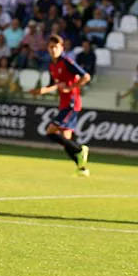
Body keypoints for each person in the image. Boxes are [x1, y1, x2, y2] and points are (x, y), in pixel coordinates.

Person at [29, 35, 91, 176]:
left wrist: (70, 87)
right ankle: (82, 168)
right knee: (66, 141)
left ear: (62, 48)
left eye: (56, 47)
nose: (53, 49)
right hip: (63, 104)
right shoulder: (52, 65)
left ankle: (80, 149)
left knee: (50, 132)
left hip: (72, 103)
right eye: (51, 47)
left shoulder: (67, 62)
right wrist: (41, 91)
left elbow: (86, 77)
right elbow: (54, 85)